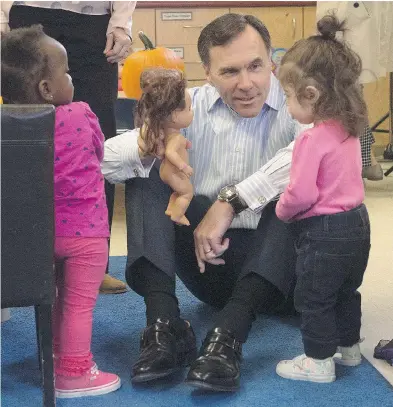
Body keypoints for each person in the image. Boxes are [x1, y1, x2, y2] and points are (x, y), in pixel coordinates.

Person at [102, 13, 303, 392]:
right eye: (229, 72)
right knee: (149, 171)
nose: (247, 84)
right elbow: (97, 160)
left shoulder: (300, 105)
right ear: (206, 73)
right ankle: (164, 326)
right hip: (206, 267)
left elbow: (316, 157)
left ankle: (228, 336)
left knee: (296, 191)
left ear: (271, 63)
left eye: (256, 67)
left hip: (279, 272)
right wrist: (152, 143)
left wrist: (229, 202)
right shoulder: (187, 106)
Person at [1, 25, 121, 397]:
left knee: (53, 298)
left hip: (40, 234)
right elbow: (100, 154)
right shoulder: (81, 114)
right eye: (66, 72)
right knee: (78, 305)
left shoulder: (10, 128)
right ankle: (73, 373)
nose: (72, 78)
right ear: (47, 90)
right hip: (86, 234)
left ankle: (51, 358)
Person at [1, 0, 138, 293]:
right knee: (26, 137)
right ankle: (28, 261)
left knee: (97, 139)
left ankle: (94, 263)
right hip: (28, 12)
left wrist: (122, 23)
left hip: (93, 23)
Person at [274, 15, 371, 383]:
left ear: (311, 94)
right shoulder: (349, 130)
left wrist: (283, 210)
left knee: (314, 296)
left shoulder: (311, 139)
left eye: (287, 95)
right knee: (347, 290)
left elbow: (302, 193)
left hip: (324, 231)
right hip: (358, 224)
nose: (286, 102)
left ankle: (317, 361)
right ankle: (348, 349)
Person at [316, 1, 393, 181]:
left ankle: (365, 160)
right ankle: (366, 161)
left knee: (347, 88)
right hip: (346, 15)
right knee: (345, 88)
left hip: (353, 14)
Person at [135, 68, 194, 226]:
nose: (192, 112)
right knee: (187, 192)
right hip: (172, 170)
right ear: (174, 115)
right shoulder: (175, 137)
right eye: (189, 109)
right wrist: (183, 166)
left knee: (178, 191)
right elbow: (169, 152)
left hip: (166, 171)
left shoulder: (168, 135)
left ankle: (170, 208)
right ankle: (177, 215)